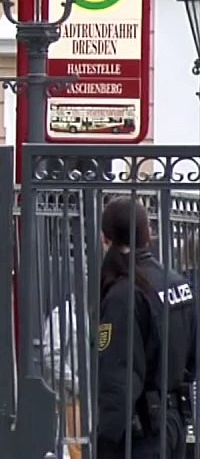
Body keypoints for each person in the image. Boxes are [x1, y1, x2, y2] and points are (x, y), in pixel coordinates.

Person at [95, 197, 196, 459]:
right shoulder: (177, 283)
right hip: (174, 420)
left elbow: (118, 378)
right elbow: (193, 357)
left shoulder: (123, 295)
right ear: (147, 234)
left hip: (141, 432)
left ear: (105, 239)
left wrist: (106, 440)